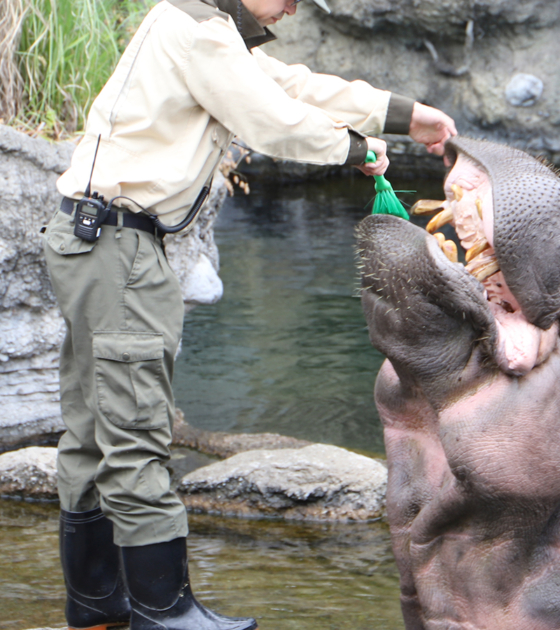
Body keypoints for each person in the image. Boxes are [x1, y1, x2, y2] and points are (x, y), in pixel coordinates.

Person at [42, 0, 457, 629]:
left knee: (93, 428)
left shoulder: (203, 29)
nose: (292, 7)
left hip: (92, 239)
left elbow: (290, 85)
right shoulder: (196, 29)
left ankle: (99, 603)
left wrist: (407, 115)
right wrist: (356, 150)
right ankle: (165, 611)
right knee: (134, 430)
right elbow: (270, 118)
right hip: (119, 248)